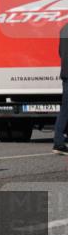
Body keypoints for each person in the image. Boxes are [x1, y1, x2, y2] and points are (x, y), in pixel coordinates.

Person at [53, 22, 68, 155]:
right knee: (66, 109)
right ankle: (59, 142)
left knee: (66, 108)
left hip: (65, 72)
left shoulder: (64, 28)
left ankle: (60, 141)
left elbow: (60, 52)